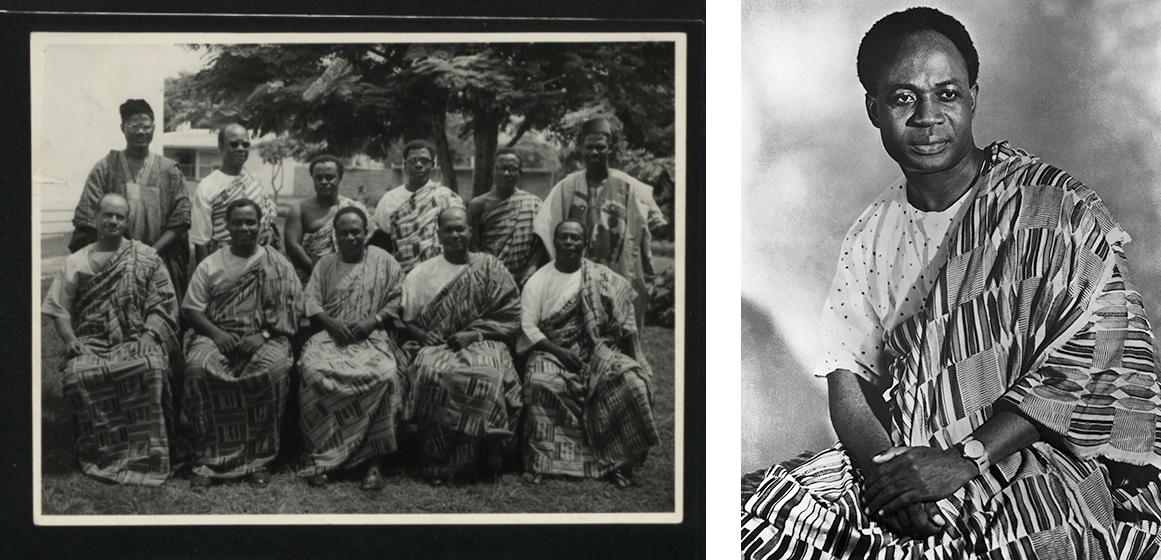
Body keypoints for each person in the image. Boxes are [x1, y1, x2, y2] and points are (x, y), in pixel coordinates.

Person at [741, 7, 1161, 559]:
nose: (928, 117)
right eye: (903, 98)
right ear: (874, 108)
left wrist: (965, 461)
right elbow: (848, 381)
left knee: (1048, 538)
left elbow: (1092, 354)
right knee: (754, 518)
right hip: (905, 455)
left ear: (973, 97)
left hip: (1030, 452)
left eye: (947, 94)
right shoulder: (871, 236)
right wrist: (889, 481)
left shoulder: (1054, 209)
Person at [43, 193, 180, 486]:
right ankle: (100, 452)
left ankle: (148, 457)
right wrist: (70, 340)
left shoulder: (145, 257)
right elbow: (59, 309)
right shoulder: (76, 261)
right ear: (96, 218)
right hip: (91, 341)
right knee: (80, 374)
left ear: (127, 221)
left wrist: (149, 333)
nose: (114, 220)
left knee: (151, 367)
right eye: (108, 215)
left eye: (120, 216)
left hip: (134, 337)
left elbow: (164, 303)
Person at [519, 220, 658, 487]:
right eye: (564, 237)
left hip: (597, 351)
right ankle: (544, 462)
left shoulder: (602, 278)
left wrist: (634, 356)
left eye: (575, 238)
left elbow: (626, 318)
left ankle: (619, 462)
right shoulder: (539, 280)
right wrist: (559, 351)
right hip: (551, 351)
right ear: (555, 242)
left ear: (585, 244)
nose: (569, 242)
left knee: (632, 382)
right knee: (539, 382)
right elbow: (528, 325)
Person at [182, 198, 302, 488]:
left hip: (266, 336)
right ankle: (209, 457)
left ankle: (259, 460)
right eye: (238, 222)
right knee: (198, 368)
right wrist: (217, 334)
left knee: (271, 371)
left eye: (250, 222)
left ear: (260, 225)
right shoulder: (211, 263)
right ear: (227, 226)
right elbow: (191, 309)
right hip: (216, 333)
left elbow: (292, 310)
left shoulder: (278, 263)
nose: (245, 228)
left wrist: (261, 336)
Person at [396, 207, 522, 484]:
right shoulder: (422, 273)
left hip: (483, 341)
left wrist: (475, 334)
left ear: (470, 231)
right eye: (448, 229)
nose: (455, 234)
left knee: (487, 373)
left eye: (460, 228)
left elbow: (511, 317)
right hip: (437, 344)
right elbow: (407, 319)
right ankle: (437, 456)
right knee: (431, 374)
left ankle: (481, 455)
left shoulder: (490, 267)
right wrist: (420, 336)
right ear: (438, 233)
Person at [297, 206, 407, 491]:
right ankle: (323, 456)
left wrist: (373, 322)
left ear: (365, 233)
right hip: (330, 339)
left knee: (385, 373)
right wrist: (331, 324)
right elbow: (311, 303)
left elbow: (397, 299)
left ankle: (373, 461)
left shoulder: (384, 262)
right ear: (335, 235)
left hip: (371, 339)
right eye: (343, 232)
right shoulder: (325, 264)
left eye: (355, 231)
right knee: (313, 371)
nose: (350, 237)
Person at [532, 117, 667, 334]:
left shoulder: (633, 188)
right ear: (581, 149)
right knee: (581, 333)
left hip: (622, 273)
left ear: (610, 149)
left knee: (622, 334)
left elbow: (653, 224)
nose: (594, 152)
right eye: (589, 147)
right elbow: (545, 226)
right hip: (578, 277)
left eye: (600, 147)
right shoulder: (567, 186)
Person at [68, 98, 190, 300]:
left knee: (160, 318)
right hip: (112, 261)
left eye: (146, 126)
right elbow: (88, 218)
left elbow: (181, 220)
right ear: (122, 128)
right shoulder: (105, 168)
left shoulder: (170, 171)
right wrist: (119, 258)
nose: (141, 132)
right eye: (134, 126)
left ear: (153, 128)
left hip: (159, 260)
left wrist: (148, 255)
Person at [189, 123, 281, 265]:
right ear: (221, 147)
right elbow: (201, 241)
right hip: (224, 262)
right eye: (234, 144)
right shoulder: (207, 186)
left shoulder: (253, 180)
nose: (241, 149)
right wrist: (207, 278)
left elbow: (266, 215)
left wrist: (267, 230)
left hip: (259, 258)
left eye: (245, 144)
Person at [368, 139, 464, 272]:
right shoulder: (389, 200)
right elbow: (382, 243)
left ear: (433, 165)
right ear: (405, 165)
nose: (419, 165)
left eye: (424, 161)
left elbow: (460, 238)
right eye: (413, 160)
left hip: (443, 273)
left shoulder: (446, 197)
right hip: (403, 276)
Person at [283, 154, 369, 283]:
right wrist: (320, 276)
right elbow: (292, 247)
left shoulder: (353, 208)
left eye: (329, 177)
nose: (324, 182)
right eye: (319, 178)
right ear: (313, 179)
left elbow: (368, 242)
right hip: (311, 280)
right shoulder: (299, 210)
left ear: (340, 178)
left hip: (351, 278)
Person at [468, 148, 543, 286]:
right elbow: (474, 245)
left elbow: (539, 245)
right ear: (493, 170)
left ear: (520, 173)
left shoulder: (534, 204)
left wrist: (531, 269)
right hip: (488, 277)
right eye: (501, 168)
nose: (506, 173)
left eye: (512, 169)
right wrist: (489, 271)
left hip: (523, 278)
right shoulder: (478, 205)